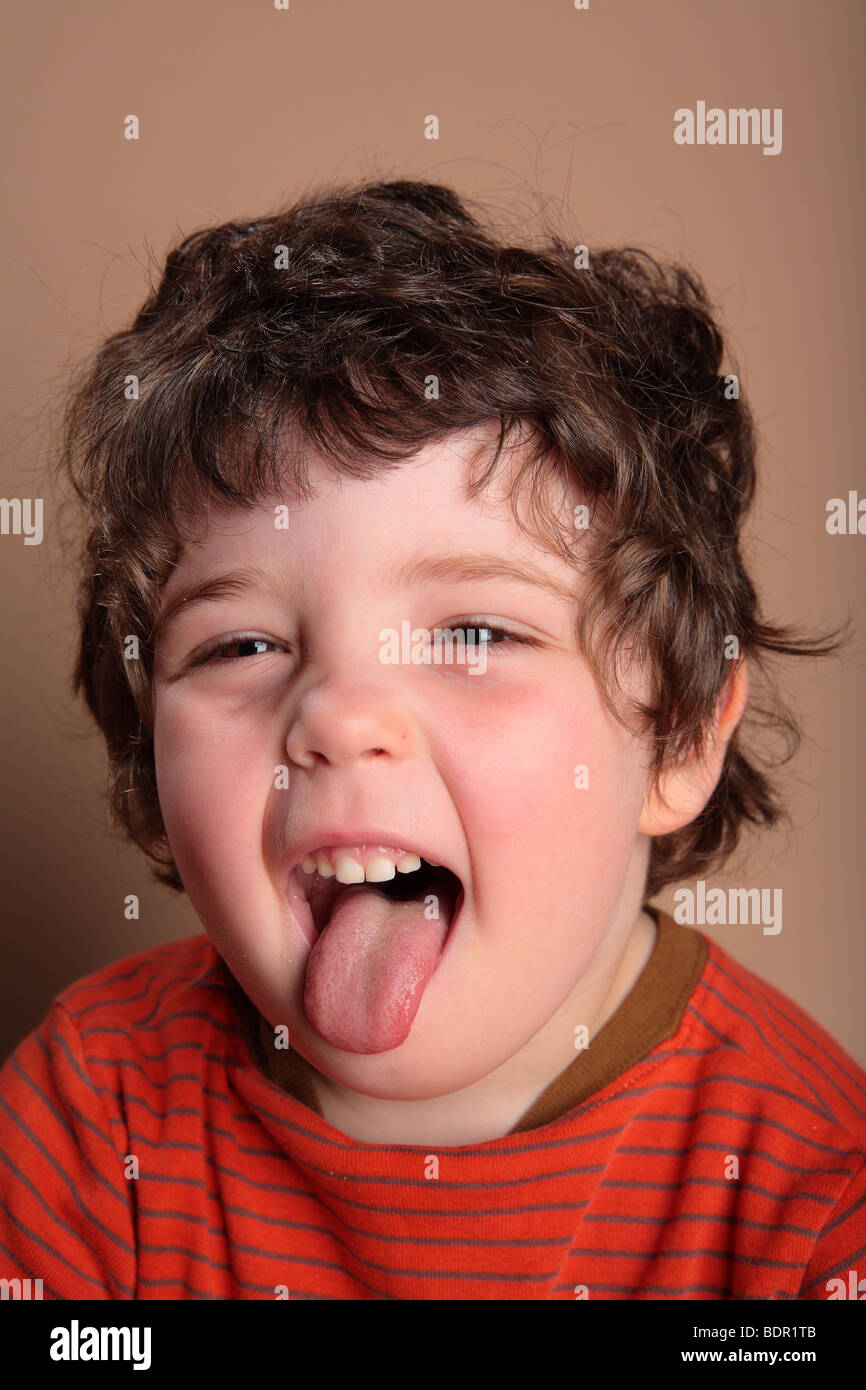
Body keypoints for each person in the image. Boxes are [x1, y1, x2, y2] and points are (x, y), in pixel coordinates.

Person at [1, 177, 863, 1300]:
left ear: (679, 738)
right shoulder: (88, 1118)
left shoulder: (806, 1200)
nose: (337, 714)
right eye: (240, 646)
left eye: (472, 630)